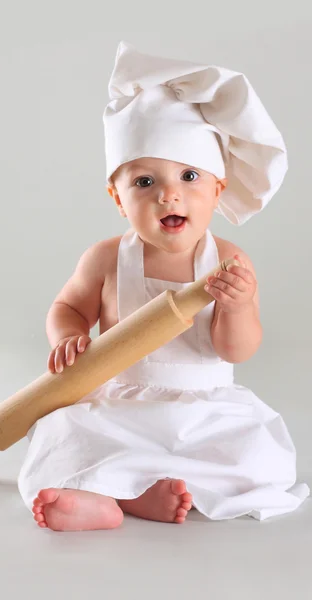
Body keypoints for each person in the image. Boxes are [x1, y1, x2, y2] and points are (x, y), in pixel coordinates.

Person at [18, 41, 309, 531]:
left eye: (189, 176)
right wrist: (67, 336)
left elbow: (236, 350)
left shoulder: (230, 261)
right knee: (60, 431)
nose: (169, 193)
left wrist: (236, 309)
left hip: (203, 409)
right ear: (117, 197)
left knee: (257, 455)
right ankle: (105, 499)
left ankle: (141, 490)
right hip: (120, 401)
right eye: (144, 182)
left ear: (218, 189)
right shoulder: (107, 257)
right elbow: (67, 305)